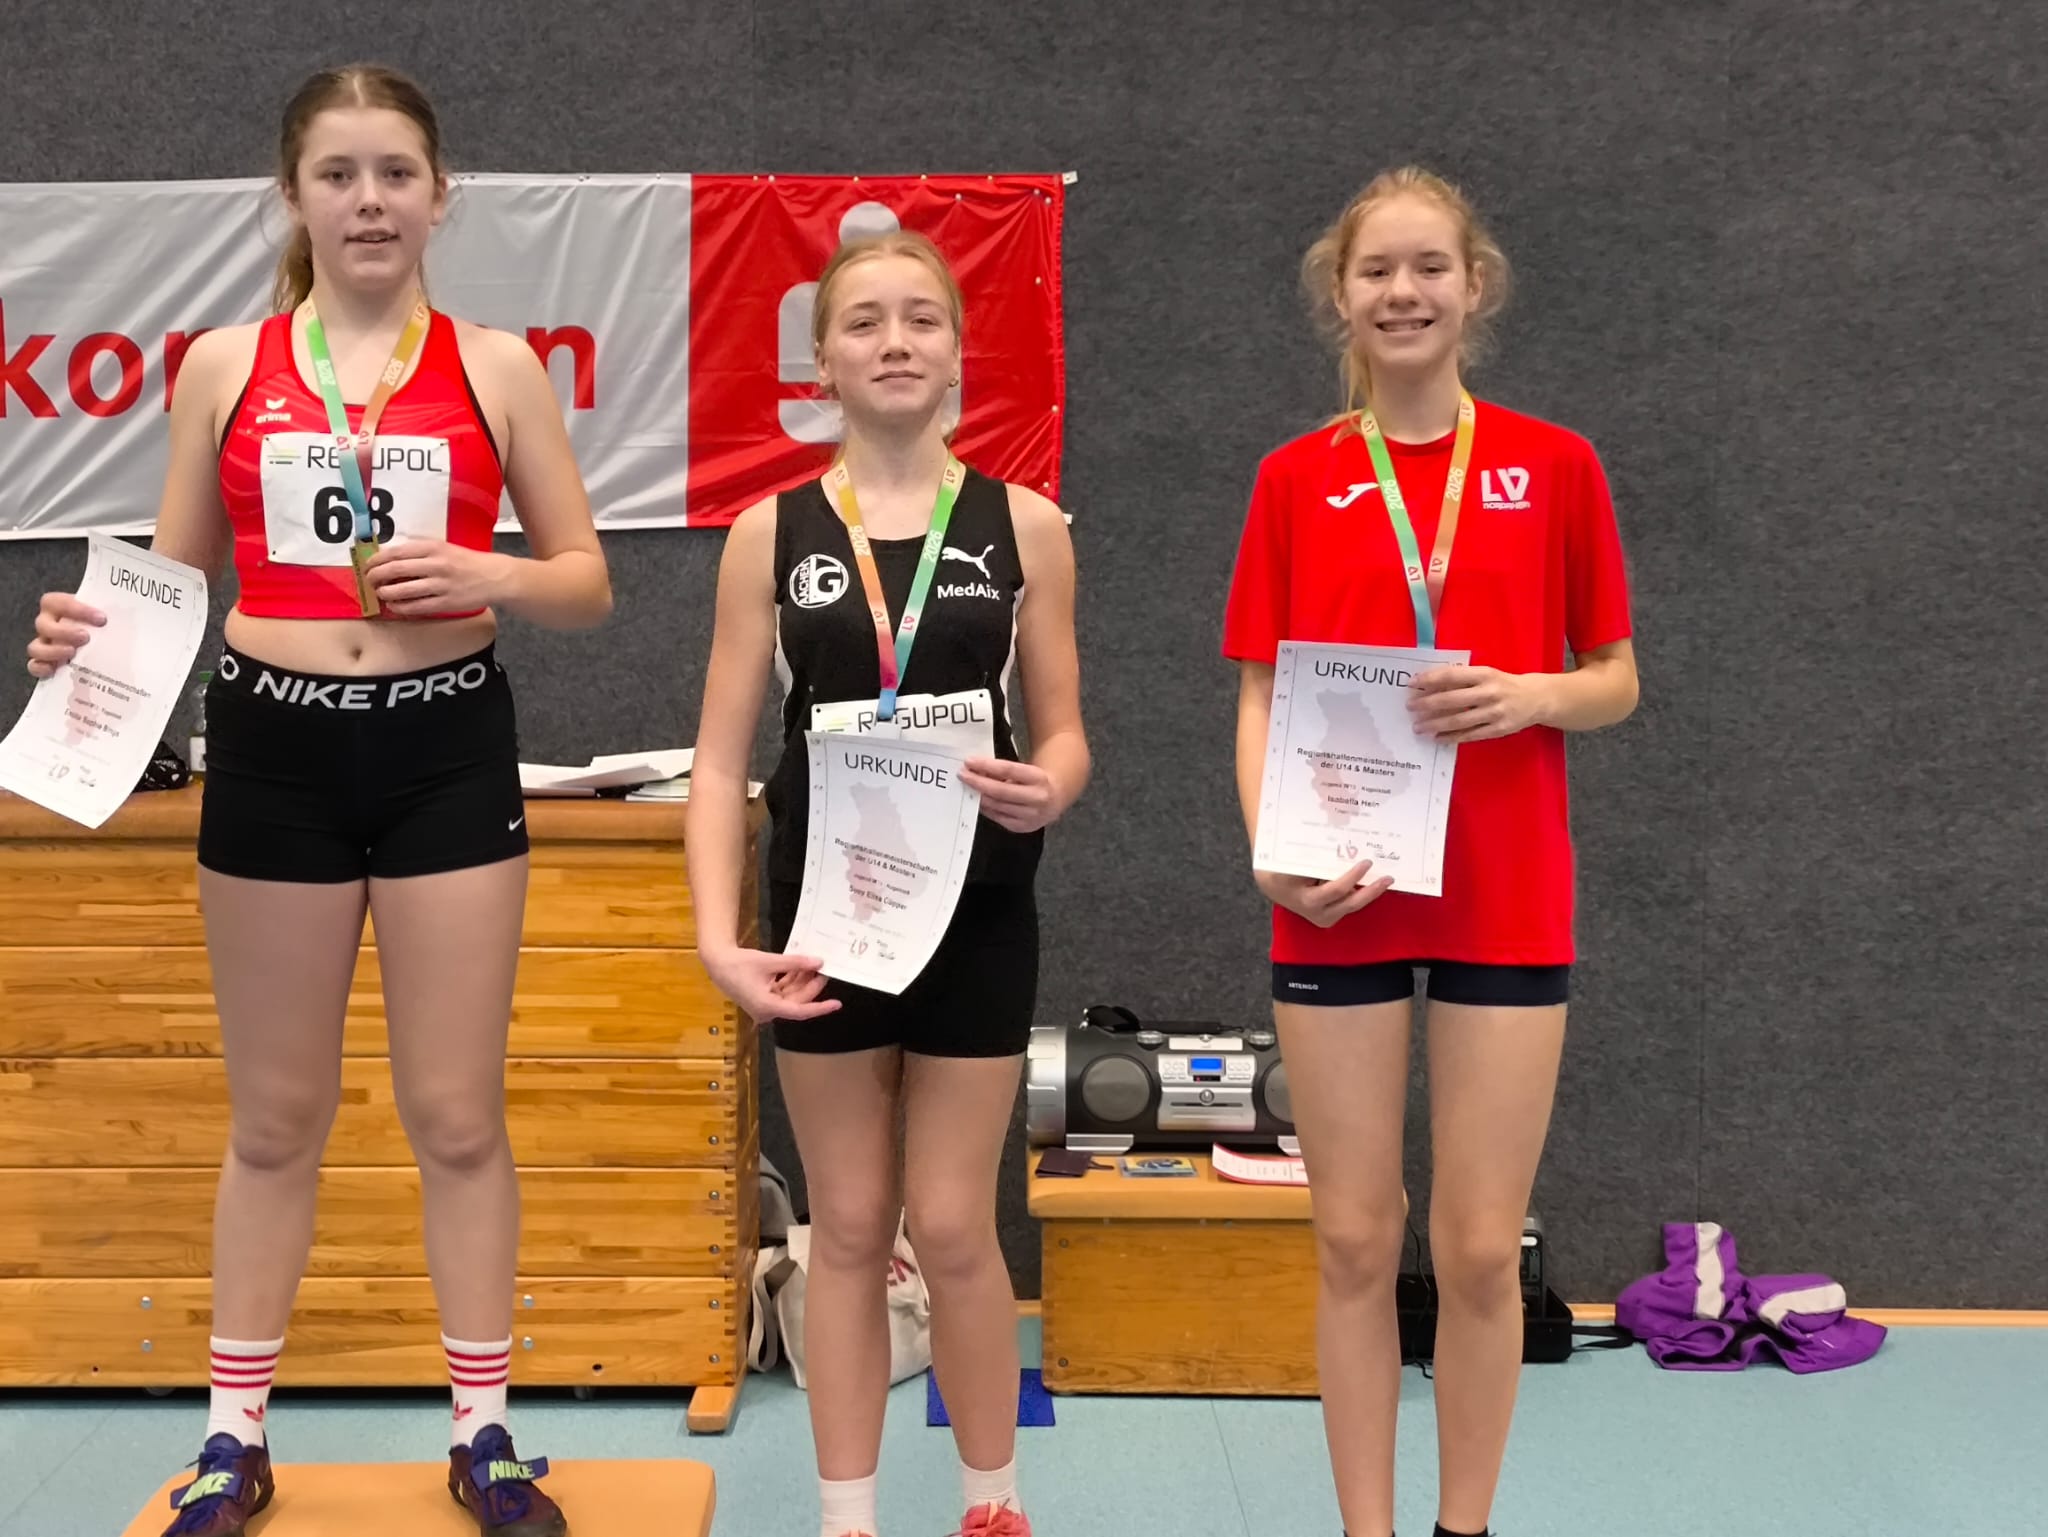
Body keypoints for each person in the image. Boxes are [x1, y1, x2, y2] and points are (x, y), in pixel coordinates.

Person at [25, 63, 611, 1537]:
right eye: (339, 174)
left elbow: (586, 582)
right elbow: (169, 580)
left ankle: (484, 1432)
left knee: (454, 1113)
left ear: (440, 195)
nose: (369, 201)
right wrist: (86, 634)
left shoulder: (497, 366)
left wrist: (488, 573)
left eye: (396, 173)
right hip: (274, 754)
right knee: (277, 1115)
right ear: (292, 195)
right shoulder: (222, 364)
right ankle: (235, 1439)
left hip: (443, 749)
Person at [1222, 166, 1639, 1537]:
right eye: (1376, 270)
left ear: (1476, 286)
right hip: (1336, 885)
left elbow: (1616, 678)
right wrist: (1271, 854)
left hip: (1505, 890)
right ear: (1339, 294)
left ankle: (1465, 1527)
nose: (1403, 292)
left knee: (1474, 1248)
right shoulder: (1296, 477)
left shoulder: (1556, 464)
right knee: (1353, 1237)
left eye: (1429, 267)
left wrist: (1530, 695)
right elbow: (1262, 695)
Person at [685, 228, 1087, 1537]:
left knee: (956, 1225)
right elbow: (718, 761)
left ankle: (992, 1506)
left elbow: (1067, 733)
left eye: (922, 317)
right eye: (864, 321)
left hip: (978, 910)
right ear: (821, 362)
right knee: (850, 1224)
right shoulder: (769, 533)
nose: (896, 340)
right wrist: (718, 938)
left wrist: (1052, 786)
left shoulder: (1027, 525)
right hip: (832, 915)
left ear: (960, 353)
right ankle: (846, 1517)